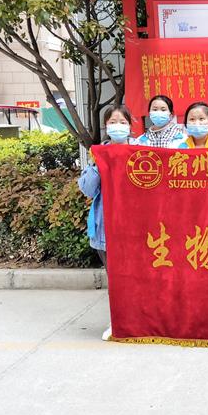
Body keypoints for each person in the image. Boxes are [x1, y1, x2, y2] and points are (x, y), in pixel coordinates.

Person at [78, 104, 134, 341]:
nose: (118, 127)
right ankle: (118, 322)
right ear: (106, 127)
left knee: (140, 277)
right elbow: (88, 189)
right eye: (113, 122)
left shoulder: (140, 152)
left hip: (138, 228)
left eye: (122, 122)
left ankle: (141, 320)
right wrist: (98, 164)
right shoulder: (99, 154)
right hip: (107, 228)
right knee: (116, 279)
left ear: (130, 126)